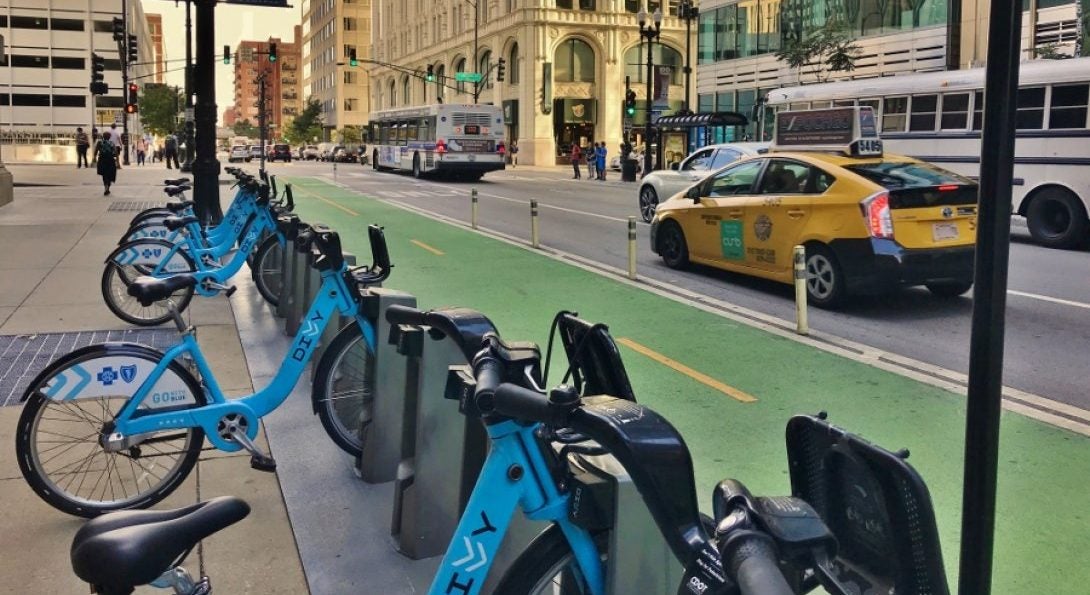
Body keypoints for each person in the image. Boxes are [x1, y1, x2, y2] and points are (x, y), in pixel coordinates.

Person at [93, 131, 117, 195]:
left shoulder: (99, 142)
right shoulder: (112, 143)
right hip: (110, 160)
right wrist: (117, 161)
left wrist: (94, 158)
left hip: (102, 160)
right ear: (109, 137)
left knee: (104, 174)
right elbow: (115, 152)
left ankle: (106, 187)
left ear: (103, 136)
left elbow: (95, 151)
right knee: (110, 174)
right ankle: (108, 188)